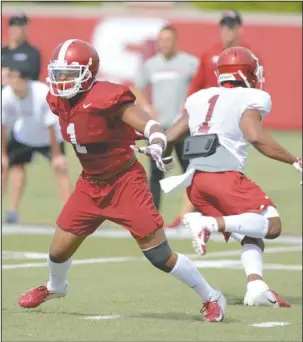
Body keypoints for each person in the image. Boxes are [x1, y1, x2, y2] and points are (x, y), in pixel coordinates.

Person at [18, 39, 227, 323]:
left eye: (69, 73)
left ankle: (212, 296)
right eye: (58, 73)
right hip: (90, 184)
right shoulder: (57, 101)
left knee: (159, 256)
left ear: (88, 73)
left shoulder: (107, 97)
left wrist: (156, 139)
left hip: (124, 182)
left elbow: (150, 124)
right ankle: (56, 287)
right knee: (57, 251)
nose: (61, 80)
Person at [160, 46, 302, 307]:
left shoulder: (200, 97)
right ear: (247, 72)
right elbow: (255, 136)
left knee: (250, 230)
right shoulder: (251, 96)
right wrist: (294, 159)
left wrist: (160, 152)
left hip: (196, 183)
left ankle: (256, 286)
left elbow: (169, 137)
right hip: (224, 177)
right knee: (272, 224)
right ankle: (209, 224)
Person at [132, 25, 197, 228]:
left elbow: (202, 84)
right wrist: (147, 107)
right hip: (159, 130)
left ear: (176, 41)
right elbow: (137, 87)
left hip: (183, 128)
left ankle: (188, 217)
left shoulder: (189, 62)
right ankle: (153, 219)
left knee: (191, 172)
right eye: (162, 39)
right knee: (156, 174)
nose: (165, 43)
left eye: (169, 39)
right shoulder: (151, 65)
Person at [1, 63, 71, 223]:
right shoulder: (5, 96)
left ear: (25, 80)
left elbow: (51, 125)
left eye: (14, 77)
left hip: (49, 138)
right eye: (9, 77)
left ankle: (69, 214)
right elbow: (2, 127)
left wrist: (56, 155)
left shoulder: (42, 93)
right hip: (24, 136)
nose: (10, 81)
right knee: (14, 168)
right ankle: (12, 211)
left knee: (60, 169)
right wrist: (2, 154)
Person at [188, 10, 251, 96]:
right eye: (223, 26)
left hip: (239, 105)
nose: (226, 30)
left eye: (230, 26)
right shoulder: (209, 54)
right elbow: (197, 84)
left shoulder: (249, 56)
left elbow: (257, 85)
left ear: (239, 29)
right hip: (215, 105)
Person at [2, 12, 41, 86]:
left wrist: (10, 74)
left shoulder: (33, 53)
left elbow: (32, 74)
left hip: (23, 94)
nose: (17, 29)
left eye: (21, 26)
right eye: (14, 25)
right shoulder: (3, 51)